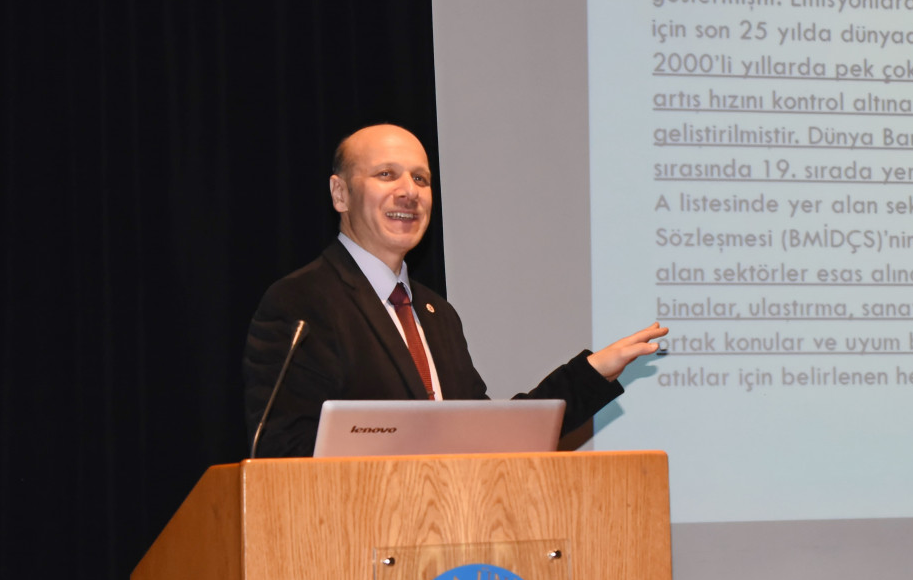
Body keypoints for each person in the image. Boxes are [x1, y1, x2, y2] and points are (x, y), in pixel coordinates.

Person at [243, 123, 665, 457]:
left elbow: (488, 435)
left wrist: (592, 374)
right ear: (340, 193)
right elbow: (282, 451)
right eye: (386, 174)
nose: (409, 191)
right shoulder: (302, 302)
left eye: (421, 179)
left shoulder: (436, 313)